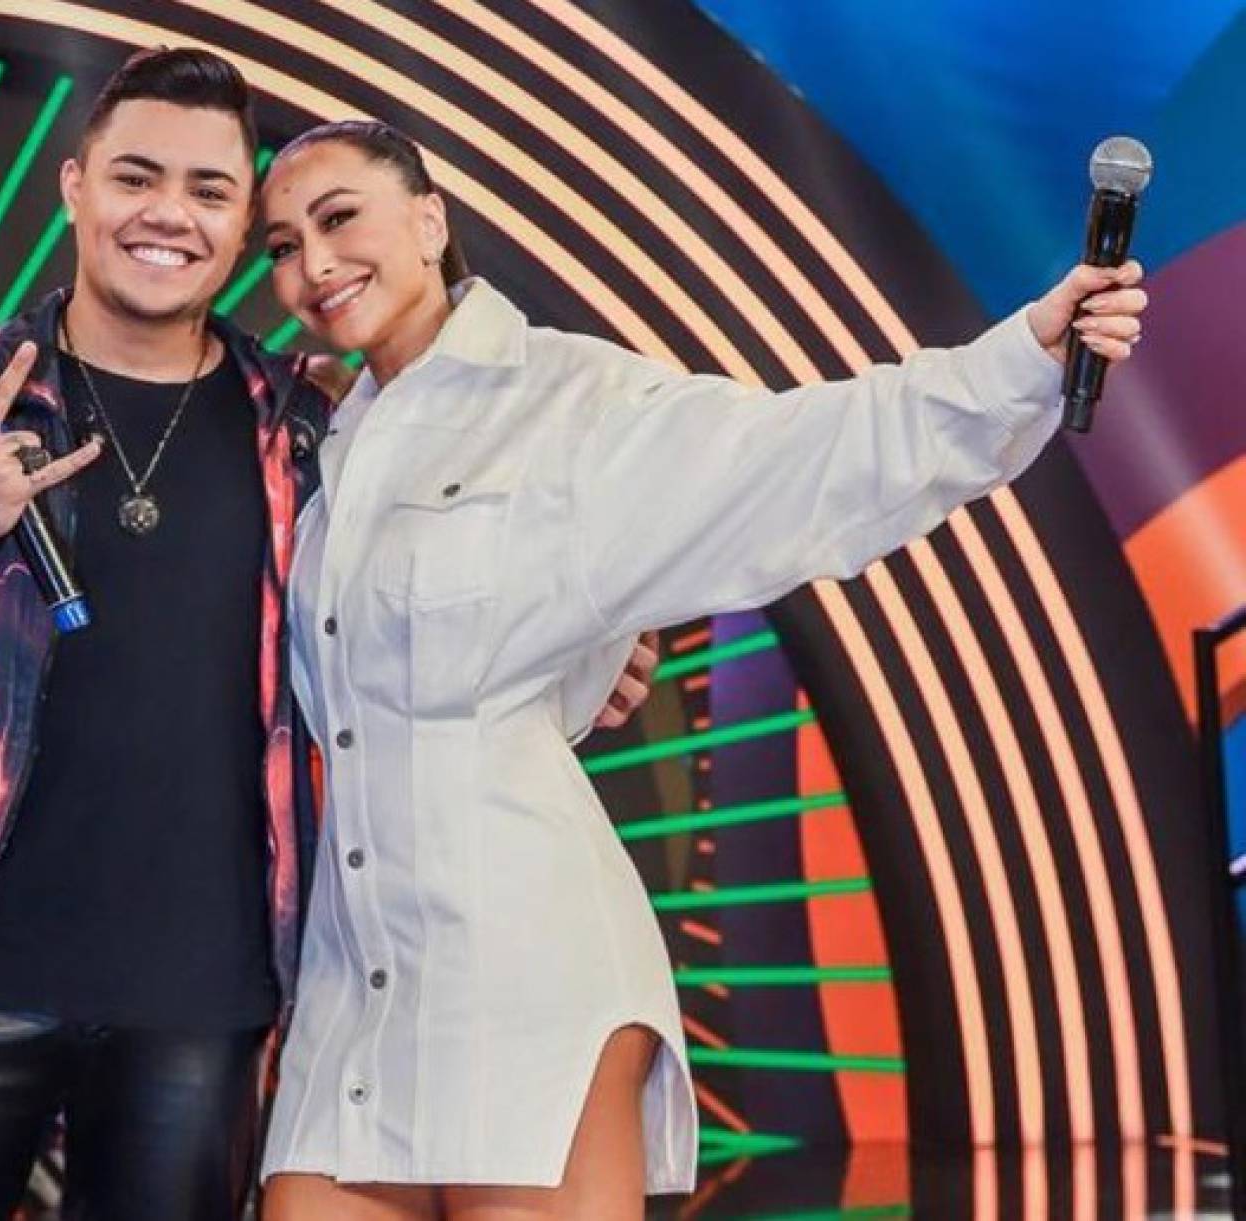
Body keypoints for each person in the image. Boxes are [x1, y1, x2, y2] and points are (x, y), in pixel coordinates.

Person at [0, 47, 662, 1221]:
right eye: (136, 177)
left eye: (208, 190)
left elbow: (444, 587)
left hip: (202, 999)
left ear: (245, 227)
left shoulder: (312, 423)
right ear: (75, 186)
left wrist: (580, 645)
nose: (168, 214)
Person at [254, 120, 1148, 1220]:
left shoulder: (568, 400)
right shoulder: (319, 444)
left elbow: (804, 452)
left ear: (430, 220)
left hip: (523, 972)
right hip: (353, 981)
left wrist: (1020, 360)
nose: (314, 263)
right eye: (282, 247)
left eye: (340, 218)